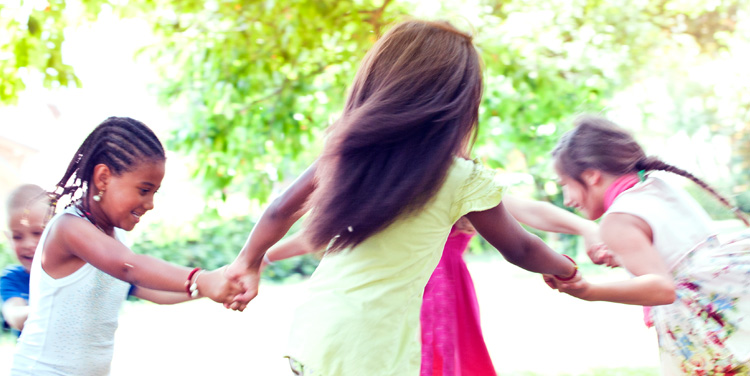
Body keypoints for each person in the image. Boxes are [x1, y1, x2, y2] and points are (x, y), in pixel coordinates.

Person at [224, 19, 581, 376]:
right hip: (372, 343)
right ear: (457, 99)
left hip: (320, 327)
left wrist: (247, 262)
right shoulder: (461, 177)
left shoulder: (350, 154)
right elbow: (521, 248)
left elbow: (280, 210)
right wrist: (566, 269)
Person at [262, 197, 603, 376]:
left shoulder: (455, 179)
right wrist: (262, 257)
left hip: (439, 293)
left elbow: (528, 211)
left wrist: (587, 229)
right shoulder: (392, 181)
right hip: (406, 290)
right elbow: (315, 233)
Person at [11, 116, 243, 375]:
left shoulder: (115, 239)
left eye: (155, 192)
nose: (151, 203)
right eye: (144, 190)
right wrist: (200, 279)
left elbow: (149, 288)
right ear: (103, 178)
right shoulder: (69, 229)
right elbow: (130, 267)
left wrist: (216, 284)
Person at [548, 115, 750, 375]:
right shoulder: (657, 184)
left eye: (565, 185)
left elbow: (662, 288)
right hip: (733, 293)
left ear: (591, 176)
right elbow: (680, 252)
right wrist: (624, 255)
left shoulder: (617, 220)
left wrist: (589, 290)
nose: (567, 199)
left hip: (706, 321)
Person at [1, 184, 49, 337]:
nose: (28, 244)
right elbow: (15, 316)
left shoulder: (71, 270)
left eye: (37, 233)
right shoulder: (11, 279)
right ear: (8, 239)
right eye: (17, 236)